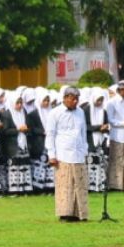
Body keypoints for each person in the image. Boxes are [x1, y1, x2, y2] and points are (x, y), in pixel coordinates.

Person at [49, 86, 89, 221]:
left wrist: (85, 150)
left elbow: (83, 132)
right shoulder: (55, 113)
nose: (75, 102)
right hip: (63, 154)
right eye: (73, 99)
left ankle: (79, 213)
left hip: (78, 154)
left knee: (79, 184)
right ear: (65, 98)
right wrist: (52, 155)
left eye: (77, 99)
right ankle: (65, 214)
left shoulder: (81, 112)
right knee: (65, 185)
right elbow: (50, 135)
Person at [0, 91, 33, 195]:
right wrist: (18, 129)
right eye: (17, 103)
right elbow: (5, 131)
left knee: (23, 165)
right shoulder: (7, 114)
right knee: (14, 166)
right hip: (13, 144)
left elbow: (29, 127)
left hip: (24, 144)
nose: (19, 105)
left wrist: (25, 129)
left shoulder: (24, 112)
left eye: (21, 103)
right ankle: (14, 190)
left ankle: (24, 188)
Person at [83, 89, 110, 193]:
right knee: (90, 164)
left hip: (101, 140)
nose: (99, 102)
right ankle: (89, 187)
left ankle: (100, 186)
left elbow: (107, 124)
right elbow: (85, 127)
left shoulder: (103, 111)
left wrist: (106, 127)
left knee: (101, 164)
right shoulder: (86, 110)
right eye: (98, 100)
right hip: (90, 140)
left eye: (101, 100)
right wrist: (99, 127)